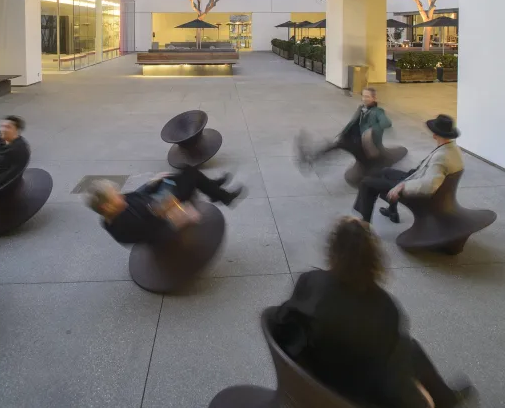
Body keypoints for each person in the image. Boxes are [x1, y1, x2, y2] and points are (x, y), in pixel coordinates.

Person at [271, 216, 476, 408]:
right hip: (357, 396)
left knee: (408, 349)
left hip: (314, 377)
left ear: (332, 251)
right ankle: (445, 399)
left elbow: (282, 321)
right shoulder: (385, 307)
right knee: (408, 349)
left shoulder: (310, 281)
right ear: (374, 259)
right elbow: (391, 374)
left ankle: (444, 397)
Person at [86, 166, 245, 245]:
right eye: (115, 196)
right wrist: (172, 210)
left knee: (184, 171)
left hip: (154, 199)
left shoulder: (119, 207)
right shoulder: (124, 224)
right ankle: (220, 194)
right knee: (190, 177)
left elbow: (137, 195)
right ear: (107, 207)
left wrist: (151, 183)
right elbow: (155, 226)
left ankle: (211, 186)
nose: (121, 195)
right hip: (164, 211)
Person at [354, 114, 464, 224]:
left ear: (435, 134)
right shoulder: (453, 149)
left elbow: (429, 186)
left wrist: (402, 186)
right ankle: (392, 211)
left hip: (416, 188)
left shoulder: (441, 157)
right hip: (417, 177)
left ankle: (364, 224)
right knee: (385, 171)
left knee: (366, 183)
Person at [298, 87, 393, 168]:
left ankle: (311, 159)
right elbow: (352, 123)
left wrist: (371, 130)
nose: (364, 99)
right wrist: (343, 133)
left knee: (335, 146)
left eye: (367, 97)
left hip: (364, 145)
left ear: (374, 98)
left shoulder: (378, 111)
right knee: (333, 145)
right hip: (353, 139)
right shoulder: (361, 108)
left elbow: (387, 123)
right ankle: (311, 158)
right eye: (363, 96)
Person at [0, 116, 30, 191]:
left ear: (16, 131)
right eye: (2, 126)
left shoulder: (19, 149)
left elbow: (13, 174)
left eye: (8, 127)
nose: (3, 129)